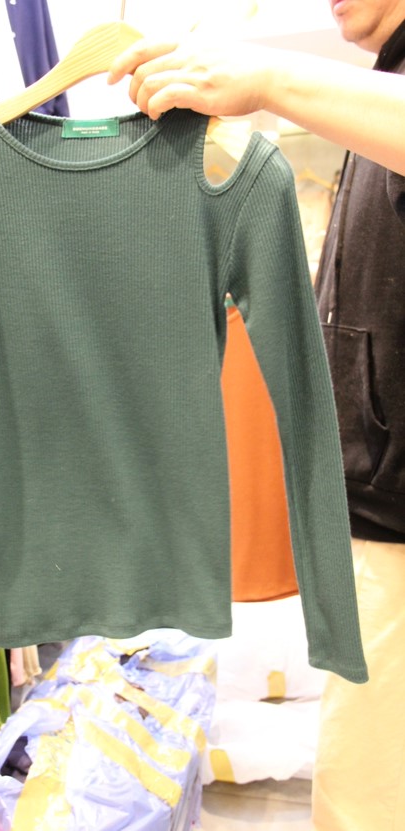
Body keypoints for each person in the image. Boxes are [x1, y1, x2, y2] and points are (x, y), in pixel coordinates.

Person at [108, 2, 405, 830]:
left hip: (394, 523)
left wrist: (269, 76)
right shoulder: (381, 83)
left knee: (363, 800)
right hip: (373, 510)